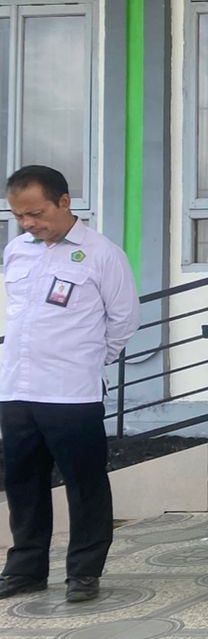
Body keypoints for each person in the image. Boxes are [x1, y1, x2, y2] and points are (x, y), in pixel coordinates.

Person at [0, 166, 137, 603]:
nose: (28, 223)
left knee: (84, 483)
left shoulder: (102, 254)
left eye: (36, 213)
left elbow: (123, 320)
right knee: (22, 482)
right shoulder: (16, 251)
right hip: (17, 389)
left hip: (71, 392)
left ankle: (84, 572)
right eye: (19, 216)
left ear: (64, 202)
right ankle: (25, 569)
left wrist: (89, 361)